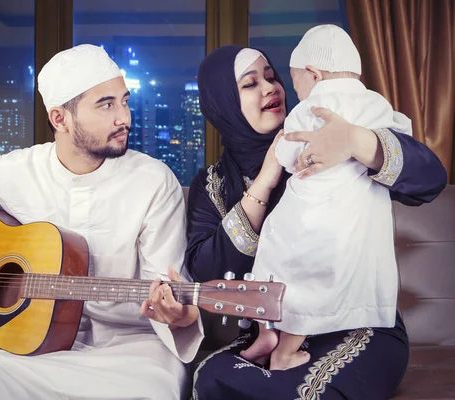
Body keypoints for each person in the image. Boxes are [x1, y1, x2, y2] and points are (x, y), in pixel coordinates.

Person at [0, 44, 203, 400]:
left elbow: (162, 287)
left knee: (155, 389)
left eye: (124, 101)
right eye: (106, 105)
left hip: (127, 350)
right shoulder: (14, 170)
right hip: (31, 347)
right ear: (60, 119)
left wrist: (177, 315)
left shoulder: (153, 181)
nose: (125, 118)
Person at [186, 44, 447, 399]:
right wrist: (266, 180)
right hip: (273, 331)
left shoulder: (331, 134)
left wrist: (357, 141)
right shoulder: (214, 185)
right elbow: (208, 271)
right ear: (223, 103)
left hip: (358, 323)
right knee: (212, 377)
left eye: (271, 76)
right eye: (250, 84)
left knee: (305, 393)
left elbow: (430, 180)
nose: (270, 88)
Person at [243, 24, 413, 371]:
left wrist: (288, 159)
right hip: (349, 219)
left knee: (278, 265)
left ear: (313, 74)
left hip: (307, 209)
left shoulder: (314, 106)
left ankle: (270, 335)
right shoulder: (375, 103)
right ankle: (283, 347)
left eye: (293, 82)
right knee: (314, 279)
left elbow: (289, 153)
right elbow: (402, 131)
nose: (294, 91)